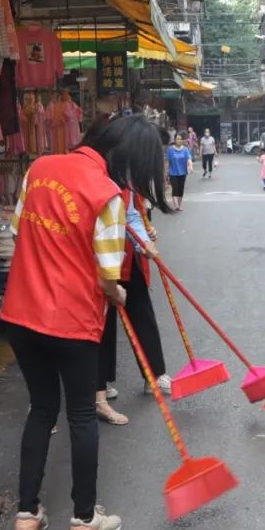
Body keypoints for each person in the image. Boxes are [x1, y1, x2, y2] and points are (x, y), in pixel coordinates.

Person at [2, 117, 168, 530]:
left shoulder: (39, 168)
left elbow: (19, 232)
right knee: (80, 415)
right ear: (126, 157)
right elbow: (109, 276)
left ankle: (26, 516)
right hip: (72, 321)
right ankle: (84, 520)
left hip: (21, 313)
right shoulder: (107, 194)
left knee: (41, 409)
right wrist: (120, 296)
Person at [90, 117, 172, 425]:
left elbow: (132, 213)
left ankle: (154, 374)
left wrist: (143, 243)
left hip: (128, 256)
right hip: (101, 259)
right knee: (103, 322)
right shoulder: (98, 176)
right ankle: (99, 385)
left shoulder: (124, 176)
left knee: (141, 312)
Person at [166, 133, 193, 211]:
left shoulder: (185, 149)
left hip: (183, 172)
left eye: (180, 139)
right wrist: (166, 172)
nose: (179, 140)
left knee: (181, 189)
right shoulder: (170, 150)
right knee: (175, 188)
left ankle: (179, 204)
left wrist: (191, 166)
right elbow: (168, 161)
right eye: (177, 139)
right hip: (173, 173)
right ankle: (176, 206)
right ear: (175, 140)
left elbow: (189, 159)